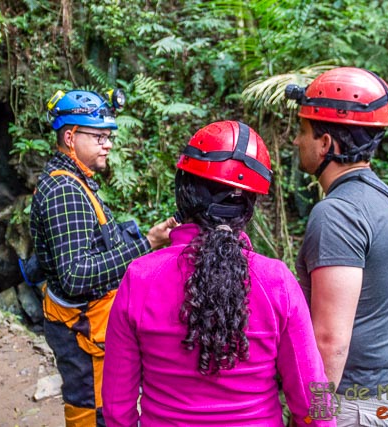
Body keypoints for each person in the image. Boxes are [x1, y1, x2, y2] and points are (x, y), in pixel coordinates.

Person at [102, 120, 337, 427]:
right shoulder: (276, 281)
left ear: (184, 191)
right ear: (249, 205)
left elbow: (117, 406)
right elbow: (313, 398)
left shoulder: (141, 278)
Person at [30, 89, 176, 426]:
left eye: (108, 136)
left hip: (88, 329)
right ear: (70, 136)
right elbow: (76, 275)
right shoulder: (66, 191)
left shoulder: (75, 183)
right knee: (92, 413)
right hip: (81, 330)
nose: (107, 144)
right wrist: (148, 244)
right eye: (99, 137)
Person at [286, 67, 388, 426]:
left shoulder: (337, 215)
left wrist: (311, 417)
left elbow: (330, 341)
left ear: (327, 144)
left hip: (354, 405)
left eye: (303, 132)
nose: (296, 142)